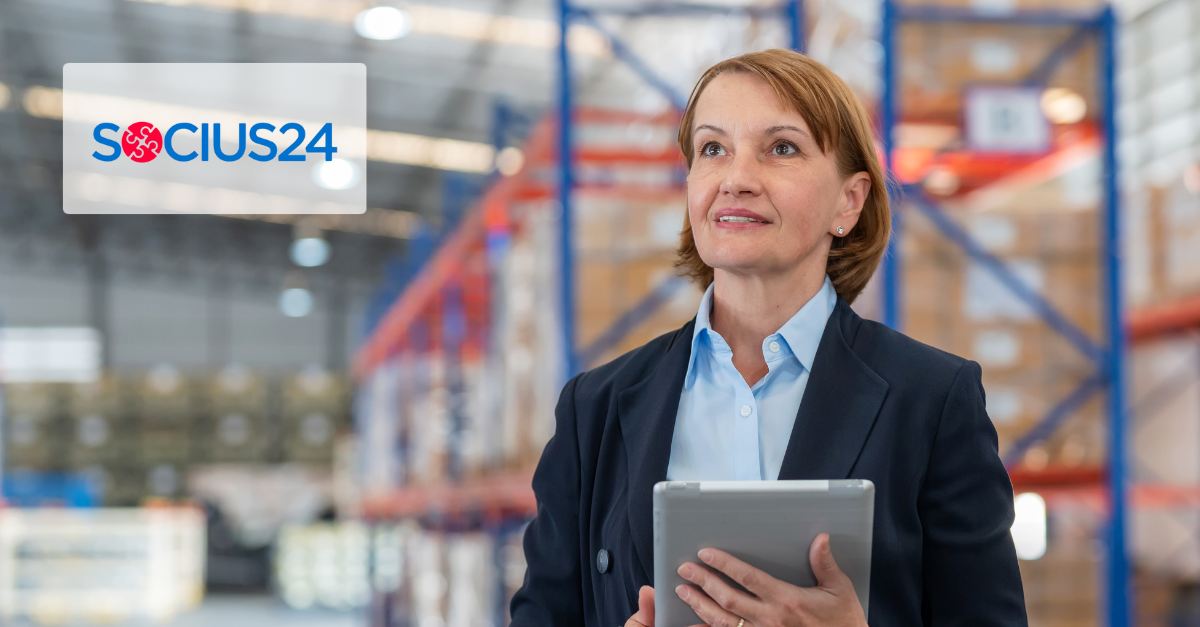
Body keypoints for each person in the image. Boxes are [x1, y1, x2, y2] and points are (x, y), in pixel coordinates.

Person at [509, 49, 1027, 627]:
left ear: (848, 202)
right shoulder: (595, 409)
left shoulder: (932, 400)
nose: (736, 179)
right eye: (712, 149)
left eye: (782, 148)